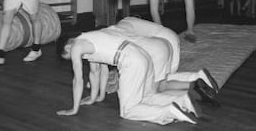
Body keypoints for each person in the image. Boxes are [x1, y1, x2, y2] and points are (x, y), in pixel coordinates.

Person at [56, 27, 217, 125]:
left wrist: (74, 109)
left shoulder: (77, 46)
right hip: (141, 55)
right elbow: (97, 72)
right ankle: (183, 101)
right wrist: (95, 98)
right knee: (146, 96)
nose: (74, 58)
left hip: (130, 60)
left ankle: (169, 112)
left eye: (69, 57)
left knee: (128, 111)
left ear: (69, 45)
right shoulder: (90, 38)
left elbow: (78, 79)